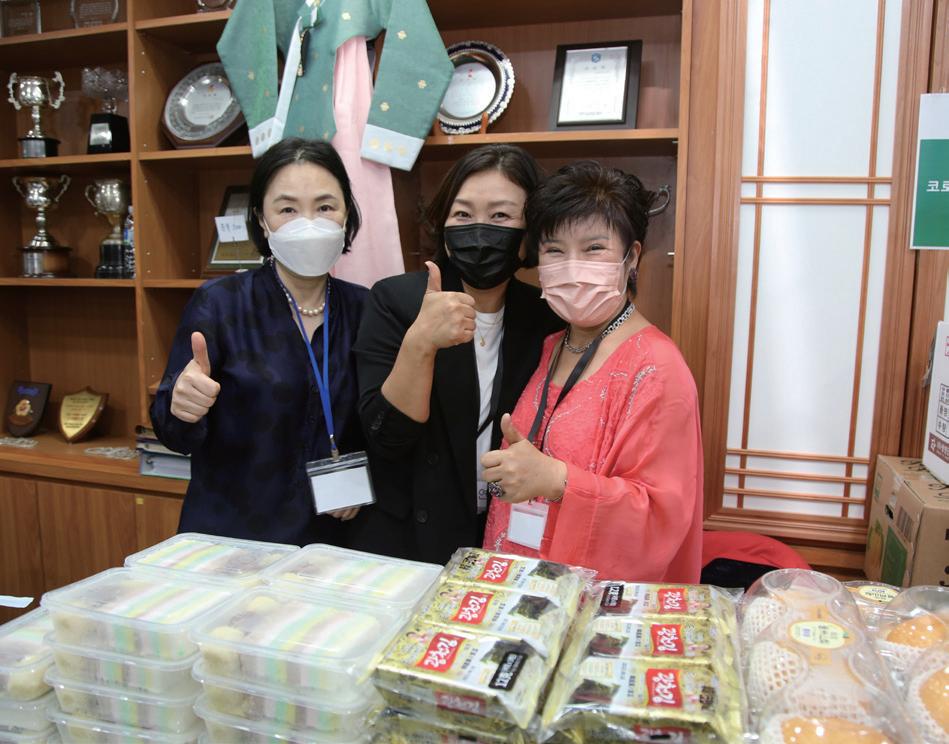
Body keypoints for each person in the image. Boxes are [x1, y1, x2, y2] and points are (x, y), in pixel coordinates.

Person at [481, 160, 703, 583]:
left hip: (591, 595)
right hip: (521, 578)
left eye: (594, 248)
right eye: (554, 250)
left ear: (631, 256)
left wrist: (558, 480)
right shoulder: (551, 345)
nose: (572, 266)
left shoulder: (656, 368)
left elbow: (661, 516)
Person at [150, 138, 368, 545]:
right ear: (262, 220)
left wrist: (361, 473)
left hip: (332, 540)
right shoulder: (220, 304)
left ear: (346, 215)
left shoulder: (365, 308)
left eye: (325, 207)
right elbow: (172, 433)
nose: (308, 223)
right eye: (287, 209)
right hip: (231, 537)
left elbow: (379, 423)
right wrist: (181, 407)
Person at [351, 144, 562, 564]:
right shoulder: (395, 299)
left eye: (500, 216)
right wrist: (420, 343)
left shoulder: (546, 315)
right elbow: (386, 437)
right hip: (407, 538)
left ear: (530, 235)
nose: (480, 231)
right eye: (463, 215)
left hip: (502, 531)